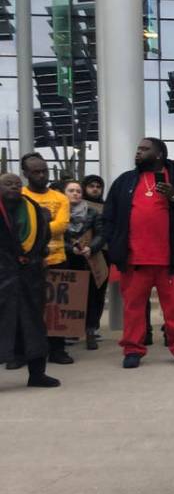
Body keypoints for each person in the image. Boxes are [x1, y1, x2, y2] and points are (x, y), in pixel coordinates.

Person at [103, 137, 174, 368]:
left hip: (170, 259)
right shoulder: (125, 181)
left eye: (144, 149)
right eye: (138, 149)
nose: (138, 153)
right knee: (133, 308)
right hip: (134, 259)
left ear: (159, 155)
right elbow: (109, 216)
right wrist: (112, 243)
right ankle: (133, 349)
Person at [0, 173, 60, 388]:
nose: (14, 187)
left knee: (33, 324)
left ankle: (37, 374)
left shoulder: (33, 208)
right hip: (3, 275)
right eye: (8, 184)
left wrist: (34, 257)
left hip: (30, 275)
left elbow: (43, 237)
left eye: (17, 184)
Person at [20, 153, 73, 365]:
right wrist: (44, 225)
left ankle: (57, 350)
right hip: (26, 261)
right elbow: (16, 229)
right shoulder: (20, 196)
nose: (42, 175)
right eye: (36, 172)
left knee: (57, 308)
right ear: (25, 174)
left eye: (44, 170)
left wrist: (34, 228)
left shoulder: (60, 198)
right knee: (27, 307)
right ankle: (23, 352)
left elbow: (62, 225)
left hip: (57, 257)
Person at [63, 180, 106, 351]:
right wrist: (70, 248)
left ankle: (90, 331)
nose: (75, 194)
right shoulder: (58, 211)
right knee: (70, 296)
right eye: (71, 191)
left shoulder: (92, 212)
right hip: (66, 259)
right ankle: (70, 331)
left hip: (89, 259)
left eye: (78, 191)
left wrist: (91, 247)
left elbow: (101, 233)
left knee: (91, 296)